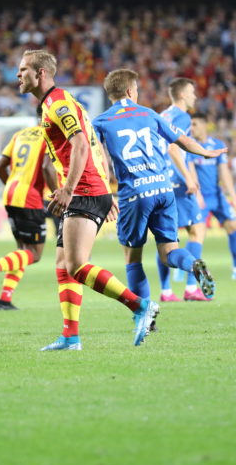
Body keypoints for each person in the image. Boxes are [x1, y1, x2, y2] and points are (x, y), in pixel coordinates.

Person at [17, 49, 159, 351]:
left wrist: (70, 189)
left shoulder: (57, 103)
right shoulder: (54, 104)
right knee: (63, 264)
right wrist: (106, 190)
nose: (19, 75)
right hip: (91, 188)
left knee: (78, 264)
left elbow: (81, 143)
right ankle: (70, 336)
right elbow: (94, 142)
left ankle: (139, 306)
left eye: (24, 69)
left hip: (82, 189)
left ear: (40, 73)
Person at [92, 69, 225, 308]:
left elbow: (100, 161)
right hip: (163, 189)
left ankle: (145, 314)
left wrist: (104, 193)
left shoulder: (100, 122)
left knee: (133, 259)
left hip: (134, 194)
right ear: (131, 91)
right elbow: (180, 141)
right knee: (169, 251)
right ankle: (191, 264)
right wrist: (205, 152)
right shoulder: (149, 113)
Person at [0, 122, 56, 310]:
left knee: (22, 251)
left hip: (10, 194)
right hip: (30, 198)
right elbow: (46, 168)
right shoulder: (50, 136)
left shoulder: (20, 134)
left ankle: (5, 300)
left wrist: (11, 185)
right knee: (34, 255)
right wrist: (57, 194)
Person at [158, 78, 208, 302]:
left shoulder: (163, 115)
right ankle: (191, 288)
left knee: (167, 239)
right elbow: (173, 148)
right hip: (177, 183)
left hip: (161, 181)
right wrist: (188, 179)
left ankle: (167, 291)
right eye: (191, 92)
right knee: (197, 230)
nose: (194, 96)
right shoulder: (182, 117)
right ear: (181, 95)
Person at [188, 115, 236, 280]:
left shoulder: (217, 145)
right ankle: (186, 269)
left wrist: (234, 197)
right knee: (197, 234)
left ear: (204, 125)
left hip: (216, 195)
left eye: (194, 124)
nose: (192, 128)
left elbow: (224, 172)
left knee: (233, 226)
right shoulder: (189, 146)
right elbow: (190, 173)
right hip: (200, 197)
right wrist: (197, 194)